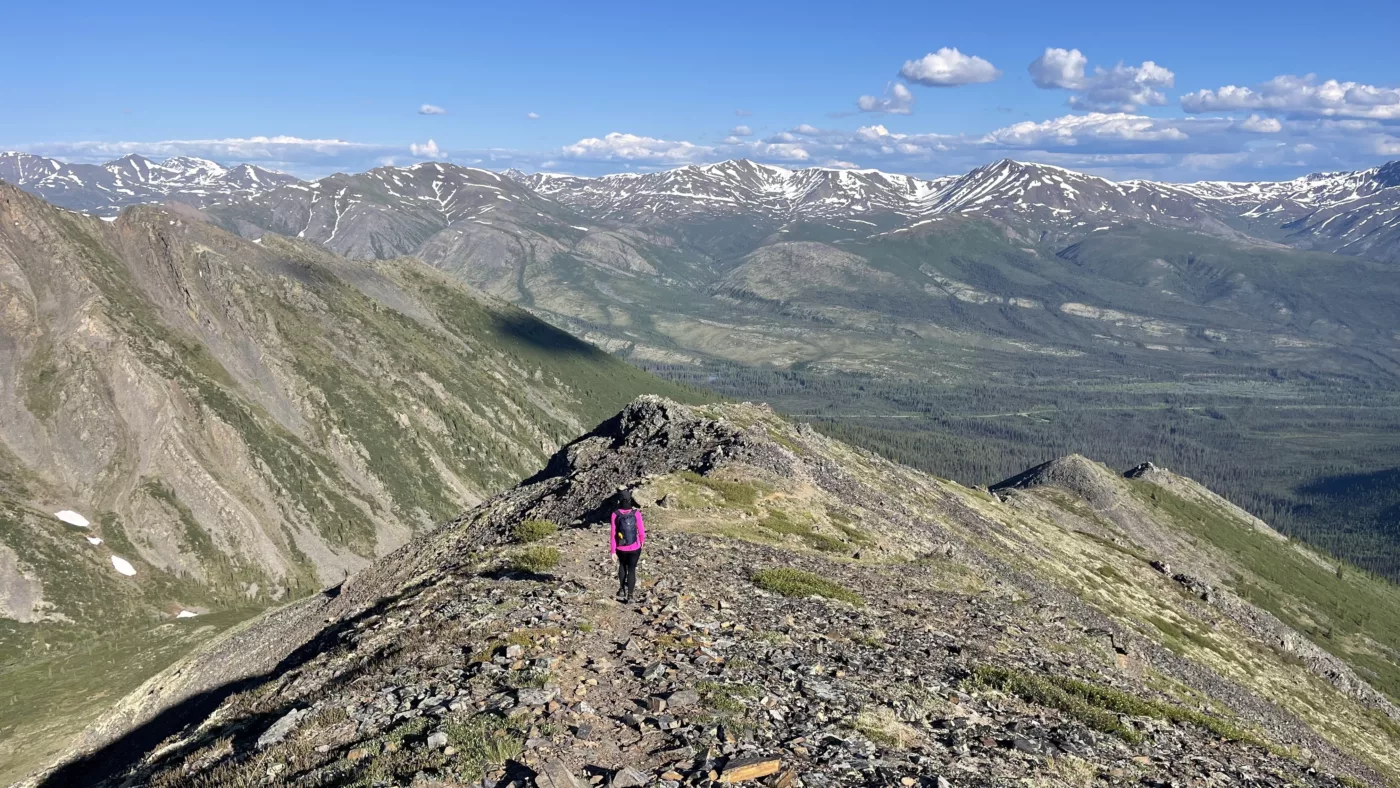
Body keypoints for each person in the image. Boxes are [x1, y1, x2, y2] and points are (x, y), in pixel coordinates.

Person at [609, 489, 645, 602]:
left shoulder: (615, 514)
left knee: (622, 566)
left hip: (621, 547)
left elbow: (613, 533)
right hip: (635, 547)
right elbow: (641, 531)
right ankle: (630, 595)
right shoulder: (636, 513)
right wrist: (641, 542)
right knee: (632, 569)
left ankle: (621, 589)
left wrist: (613, 551)